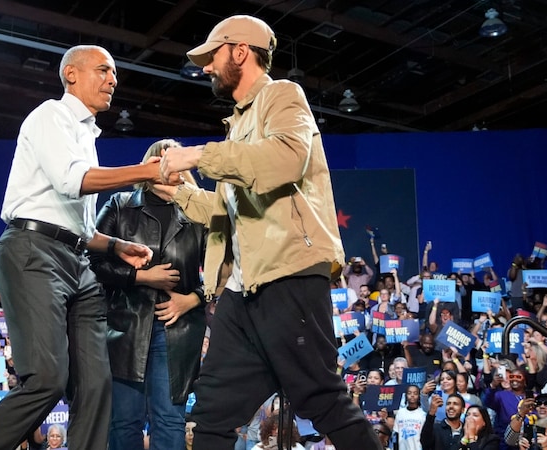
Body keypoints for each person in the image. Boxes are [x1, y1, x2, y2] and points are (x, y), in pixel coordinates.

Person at [157, 14, 380, 450]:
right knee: (211, 415)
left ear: (241, 52)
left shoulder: (282, 95)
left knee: (321, 397)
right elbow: (225, 209)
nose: (205, 68)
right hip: (243, 292)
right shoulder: (237, 126)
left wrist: (199, 156)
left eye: (212, 55)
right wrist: (178, 194)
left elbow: (286, 159)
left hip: (289, 276)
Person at [0, 44, 176, 450]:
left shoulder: (86, 134)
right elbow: (72, 180)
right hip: (33, 251)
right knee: (46, 379)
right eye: (103, 70)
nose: (113, 80)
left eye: (114, 74)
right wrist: (149, 172)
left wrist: (116, 245)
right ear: (71, 75)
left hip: (77, 261)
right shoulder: (51, 115)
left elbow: (77, 224)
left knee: (97, 387)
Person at [90, 138, 207, 450]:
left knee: (170, 422)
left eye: (175, 160)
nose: (169, 167)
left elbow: (225, 271)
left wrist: (191, 299)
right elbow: (91, 262)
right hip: (124, 328)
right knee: (124, 421)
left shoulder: (200, 212)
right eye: (160, 161)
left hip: (178, 332)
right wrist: (141, 277)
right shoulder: (119, 205)